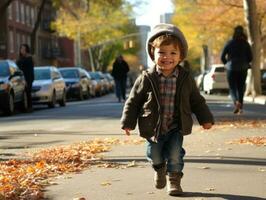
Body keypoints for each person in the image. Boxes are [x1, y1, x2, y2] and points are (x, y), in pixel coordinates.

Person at [120, 23, 214, 196]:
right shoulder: (146, 78)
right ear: (153, 54)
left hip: (175, 127)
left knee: (175, 154)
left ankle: (174, 181)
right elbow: (133, 101)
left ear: (180, 56)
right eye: (161, 52)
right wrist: (128, 122)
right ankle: (159, 168)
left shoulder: (185, 78)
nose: (167, 57)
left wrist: (205, 118)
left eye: (173, 53)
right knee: (154, 154)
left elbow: (197, 101)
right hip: (152, 127)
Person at [221, 25, 252, 114]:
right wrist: (246, 61)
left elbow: (222, 56)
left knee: (232, 88)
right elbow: (251, 57)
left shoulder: (229, 43)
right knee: (241, 87)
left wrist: (226, 64)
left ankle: (236, 102)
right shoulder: (246, 44)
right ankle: (241, 106)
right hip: (243, 67)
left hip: (231, 68)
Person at [16, 44, 34, 111]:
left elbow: (30, 71)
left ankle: (30, 107)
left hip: (28, 78)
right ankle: (22, 107)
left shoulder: (29, 58)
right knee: (22, 93)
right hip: (20, 78)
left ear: (26, 50)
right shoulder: (19, 59)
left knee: (27, 92)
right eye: (21, 49)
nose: (22, 50)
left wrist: (27, 80)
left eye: (24, 49)